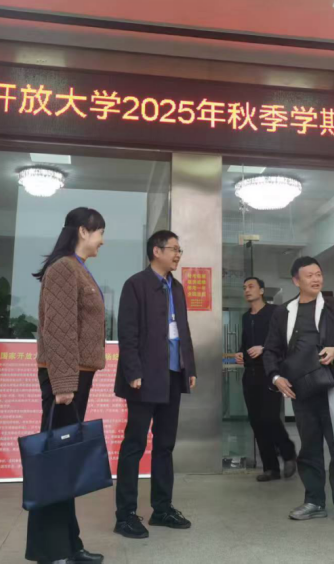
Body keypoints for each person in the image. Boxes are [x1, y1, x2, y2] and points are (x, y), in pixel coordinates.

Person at [28, 208, 108, 564]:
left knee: (65, 463)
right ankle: (52, 551)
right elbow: (58, 331)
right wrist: (63, 383)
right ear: (83, 231)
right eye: (100, 232)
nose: (102, 240)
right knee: (57, 465)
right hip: (66, 379)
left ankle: (69, 546)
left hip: (76, 376)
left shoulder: (76, 268)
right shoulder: (63, 268)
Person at [263, 257, 334, 528]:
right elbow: (271, 350)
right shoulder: (283, 312)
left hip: (333, 387)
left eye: (318, 274)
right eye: (309, 275)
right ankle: (314, 502)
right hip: (302, 391)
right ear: (296, 281)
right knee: (309, 448)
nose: (316, 279)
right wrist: (275, 377)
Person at [114, 230, 198, 539]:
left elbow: (183, 331)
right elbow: (127, 332)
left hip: (172, 375)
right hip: (144, 378)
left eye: (179, 249)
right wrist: (133, 371)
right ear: (156, 251)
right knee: (135, 445)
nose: (178, 254)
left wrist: (189, 367)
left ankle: (162, 509)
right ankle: (125, 515)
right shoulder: (136, 284)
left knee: (165, 445)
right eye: (173, 249)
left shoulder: (177, 287)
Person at [235, 277, 297, 483]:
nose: (247, 290)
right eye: (244, 288)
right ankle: (271, 468)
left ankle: (288, 453)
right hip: (250, 375)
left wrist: (264, 348)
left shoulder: (275, 312)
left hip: (270, 374)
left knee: (270, 418)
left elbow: (287, 341)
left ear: (261, 290)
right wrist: (241, 353)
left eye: (251, 286)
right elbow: (245, 344)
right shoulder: (245, 317)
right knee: (257, 422)